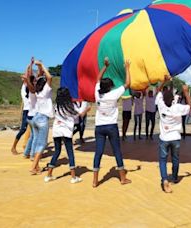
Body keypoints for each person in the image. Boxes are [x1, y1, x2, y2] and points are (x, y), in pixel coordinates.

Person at [92, 57, 132, 188]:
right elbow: (127, 84)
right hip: (111, 127)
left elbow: (98, 79)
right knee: (117, 151)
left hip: (99, 127)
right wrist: (127, 68)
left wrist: (105, 66)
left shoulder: (97, 94)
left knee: (98, 152)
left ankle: (95, 181)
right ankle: (122, 178)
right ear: (109, 87)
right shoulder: (112, 95)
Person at [44, 88, 91, 183]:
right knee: (70, 152)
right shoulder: (71, 105)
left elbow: (52, 115)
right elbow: (80, 115)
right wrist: (87, 109)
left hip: (57, 130)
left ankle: (48, 175)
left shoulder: (56, 105)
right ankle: (73, 177)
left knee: (57, 152)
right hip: (66, 131)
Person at [156, 76, 191, 193]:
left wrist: (165, 81)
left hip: (164, 138)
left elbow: (158, 91)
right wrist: (186, 92)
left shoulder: (160, 105)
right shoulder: (177, 107)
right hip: (175, 138)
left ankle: (165, 179)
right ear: (173, 99)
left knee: (162, 160)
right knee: (175, 158)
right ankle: (175, 177)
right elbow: (190, 106)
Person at [24, 60, 53, 175]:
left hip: (36, 118)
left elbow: (37, 80)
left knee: (37, 141)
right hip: (42, 119)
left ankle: (36, 166)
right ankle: (33, 167)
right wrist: (41, 65)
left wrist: (33, 68)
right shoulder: (45, 91)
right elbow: (49, 77)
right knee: (41, 144)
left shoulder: (37, 91)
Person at [11, 58, 34, 155]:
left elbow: (30, 76)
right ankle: (13, 147)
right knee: (23, 130)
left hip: (32, 111)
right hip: (26, 111)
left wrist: (31, 66)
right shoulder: (24, 88)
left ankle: (28, 148)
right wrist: (29, 65)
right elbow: (27, 75)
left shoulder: (30, 87)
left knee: (33, 131)